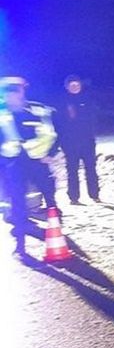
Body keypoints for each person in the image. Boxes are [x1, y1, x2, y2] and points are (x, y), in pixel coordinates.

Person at [0, 77, 59, 260]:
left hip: (37, 162)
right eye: (10, 94)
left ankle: (56, 235)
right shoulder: (3, 114)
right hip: (13, 164)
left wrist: (51, 153)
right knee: (17, 201)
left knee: (50, 195)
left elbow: (53, 132)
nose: (15, 97)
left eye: (18, 92)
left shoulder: (36, 110)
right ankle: (21, 247)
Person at [58, 74, 100, 204]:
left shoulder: (87, 99)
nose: (75, 87)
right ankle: (74, 197)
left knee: (91, 168)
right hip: (70, 142)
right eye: (72, 85)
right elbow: (59, 122)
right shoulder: (63, 102)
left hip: (87, 140)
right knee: (72, 169)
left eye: (77, 85)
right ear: (67, 87)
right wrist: (62, 140)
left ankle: (94, 194)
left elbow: (93, 116)